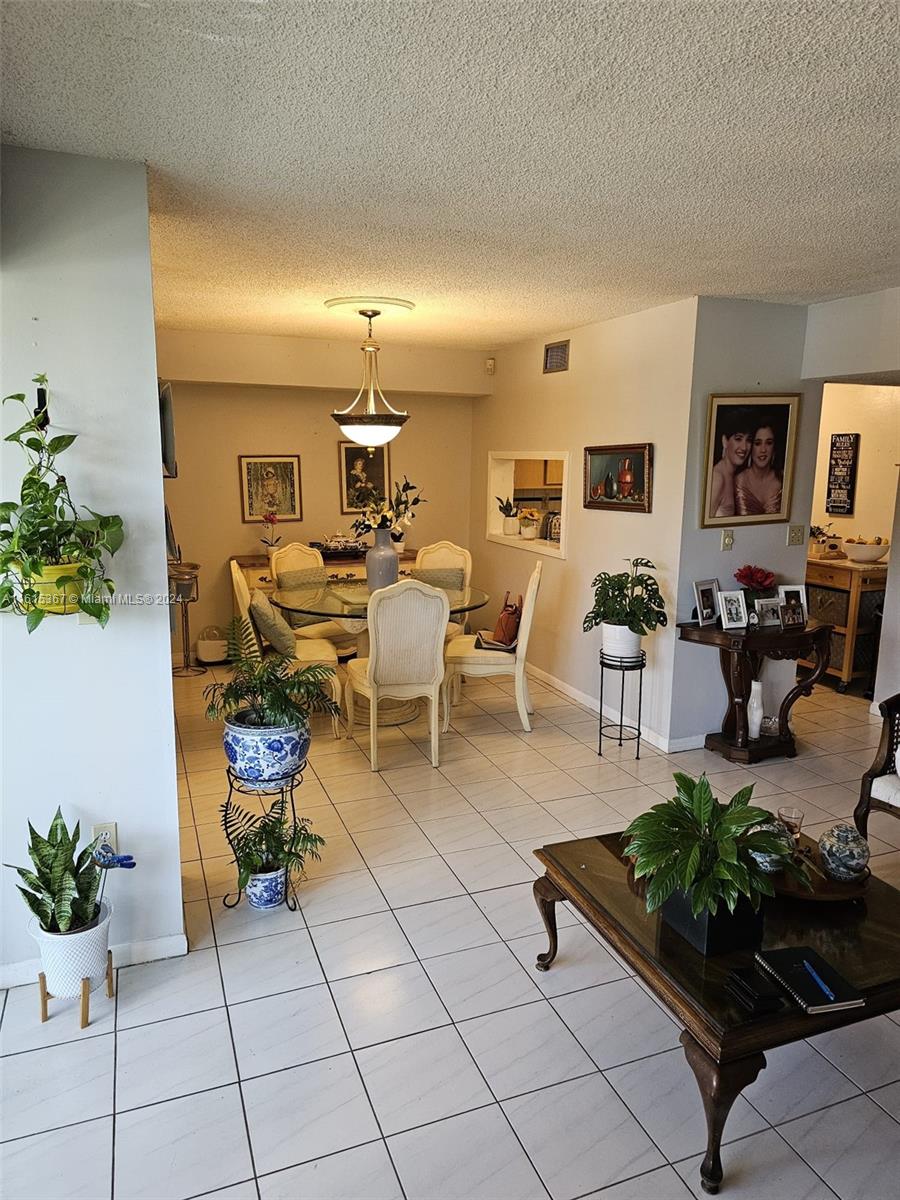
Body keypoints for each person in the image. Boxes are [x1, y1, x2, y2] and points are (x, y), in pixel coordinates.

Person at [709, 408, 752, 518]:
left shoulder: (735, 476)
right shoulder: (717, 478)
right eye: (738, 439)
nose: (744, 447)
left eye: (748, 440)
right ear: (725, 441)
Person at [735, 419, 783, 515]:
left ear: (774, 447)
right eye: (757, 443)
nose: (763, 449)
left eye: (768, 443)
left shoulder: (783, 479)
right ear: (750, 447)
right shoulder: (737, 481)